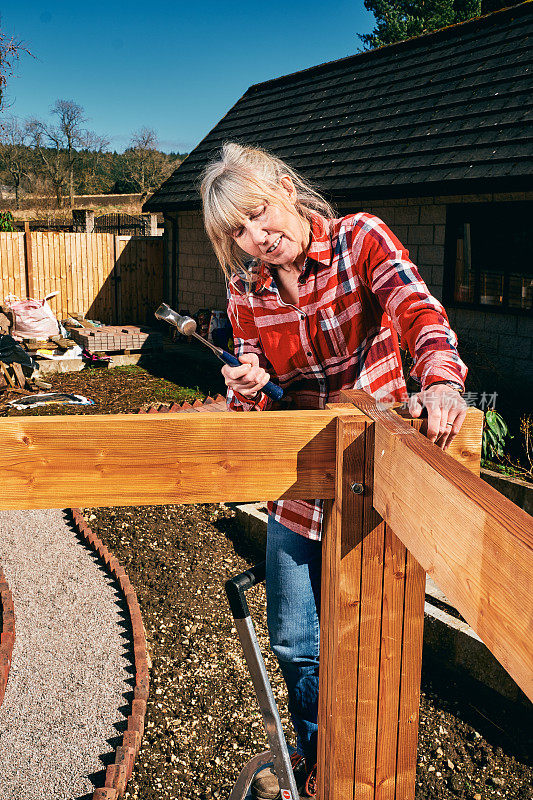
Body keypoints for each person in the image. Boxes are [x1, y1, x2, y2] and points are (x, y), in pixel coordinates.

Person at [200, 143, 467, 799]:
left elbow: (415, 307)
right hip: (295, 488)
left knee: (376, 640)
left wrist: (438, 382)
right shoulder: (244, 293)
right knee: (294, 643)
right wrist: (246, 383)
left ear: (287, 189)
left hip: (374, 479)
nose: (255, 238)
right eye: (237, 231)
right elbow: (253, 402)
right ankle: (321, 768)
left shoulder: (358, 240)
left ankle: (366, 771)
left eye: (259, 215)